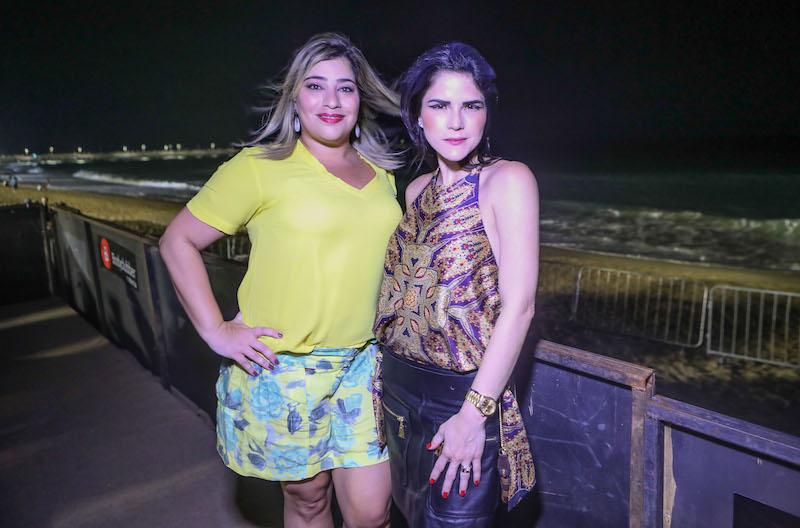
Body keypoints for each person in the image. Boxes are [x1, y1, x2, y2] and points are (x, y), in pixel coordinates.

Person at [159, 33, 402, 528]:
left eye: (346, 88)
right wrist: (216, 330)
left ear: (360, 100)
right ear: (294, 98)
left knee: (372, 512)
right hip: (286, 368)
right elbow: (177, 241)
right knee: (309, 500)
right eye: (315, 85)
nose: (332, 100)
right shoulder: (258, 167)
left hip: (364, 364)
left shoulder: (382, 174)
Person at [373, 42, 539, 527]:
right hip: (397, 392)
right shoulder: (415, 190)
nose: (457, 121)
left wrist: (473, 415)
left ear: (487, 114)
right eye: (440, 105)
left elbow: (520, 307)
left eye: (472, 105)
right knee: (409, 517)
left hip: (462, 400)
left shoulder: (507, 180)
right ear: (417, 116)